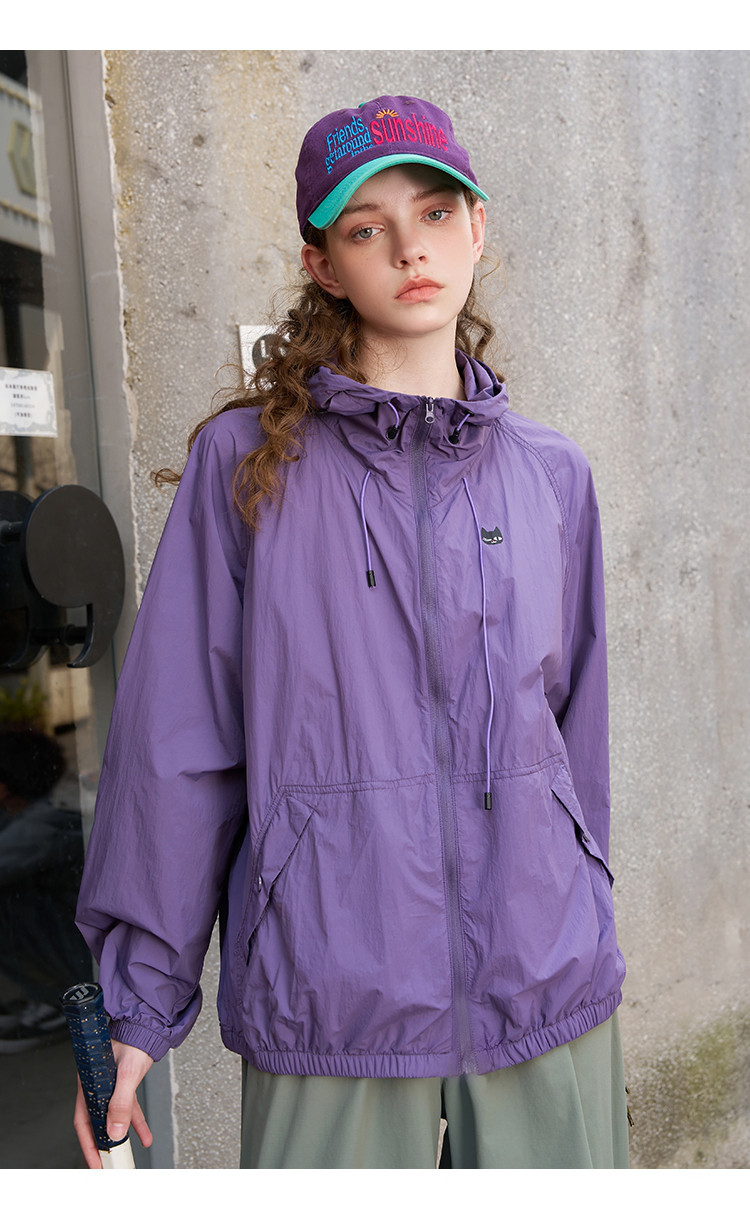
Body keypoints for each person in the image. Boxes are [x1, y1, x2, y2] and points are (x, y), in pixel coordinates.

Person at [74, 94, 629, 1169]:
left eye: (435, 212)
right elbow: (179, 746)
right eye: (368, 228)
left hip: (544, 982)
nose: (411, 248)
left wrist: (584, 917)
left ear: (478, 228)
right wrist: (140, 1002)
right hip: (331, 987)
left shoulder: (552, 473)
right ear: (323, 265)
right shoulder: (248, 468)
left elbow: (578, 733)